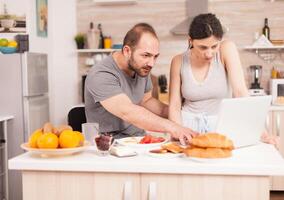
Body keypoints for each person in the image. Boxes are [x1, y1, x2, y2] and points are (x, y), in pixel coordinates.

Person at [85, 23, 198, 144]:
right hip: (109, 144)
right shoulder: (101, 74)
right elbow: (128, 111)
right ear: (127, 51)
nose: (151, 63)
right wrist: (173, 127)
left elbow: (146, 101)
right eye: (146, 55)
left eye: (155, 57)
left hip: (138, 140)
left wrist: (177, 111)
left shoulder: (140, 68)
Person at [169, 13, 249, 133]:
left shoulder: (226, 49)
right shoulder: (178, 61)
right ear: (190, 41)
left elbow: (240, 91)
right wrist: (177, 131)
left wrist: (260, 131)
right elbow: (174, 105)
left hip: (221, 126)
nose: (209, 53)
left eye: (214, 46)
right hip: (187, 127)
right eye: (203, 47)